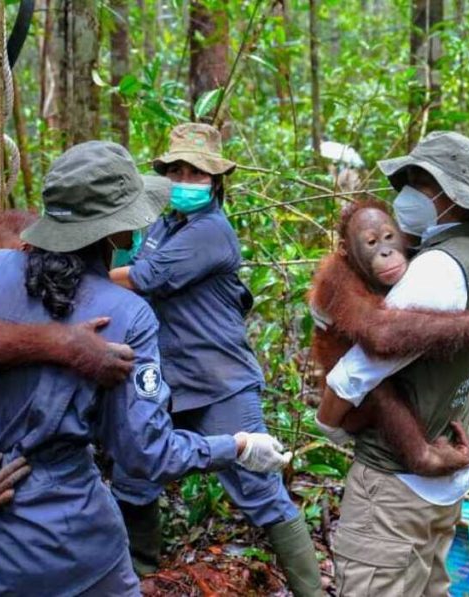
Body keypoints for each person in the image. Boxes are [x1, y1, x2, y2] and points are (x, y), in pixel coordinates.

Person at [0, 141, 291, 596]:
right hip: (62, 551)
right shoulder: (125, 316)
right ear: (119, 231)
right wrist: (237, 445)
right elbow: (146, 454)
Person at [108, 123, 322, 596]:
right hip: (164, 376)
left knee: (259, 490)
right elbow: (137, 256)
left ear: (216, 180)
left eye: (196, 172)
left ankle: (311, 591)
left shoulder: (211, 232)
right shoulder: (165, 224)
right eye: (177, 170)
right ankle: (141, 576)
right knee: (135, 474)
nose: (185, 179)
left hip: (219, 378)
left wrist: (81, 271)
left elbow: (148, 276)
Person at [325, 131, 469, 596]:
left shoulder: (433, 269)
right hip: (441, 481)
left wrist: (329, 421)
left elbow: (361, 367)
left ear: (447, 195)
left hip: (396, 490)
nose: (405, 196)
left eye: (417, 184)